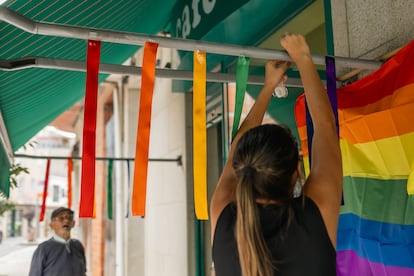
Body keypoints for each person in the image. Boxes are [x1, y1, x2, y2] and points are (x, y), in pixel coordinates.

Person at [210, 33, 342, 276]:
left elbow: (325, 128)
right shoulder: (222, 215)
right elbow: (235, 155)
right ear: (297, 173)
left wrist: (303, 58)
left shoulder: (315, 214)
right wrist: (270, 84)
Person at [29, 207, 87, 276]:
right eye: (61, 218)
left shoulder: (78, 245)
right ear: (51, 225)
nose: (66, 221)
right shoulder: (43, 249)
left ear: (73, 223)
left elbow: (83, 272)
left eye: (69, 218)